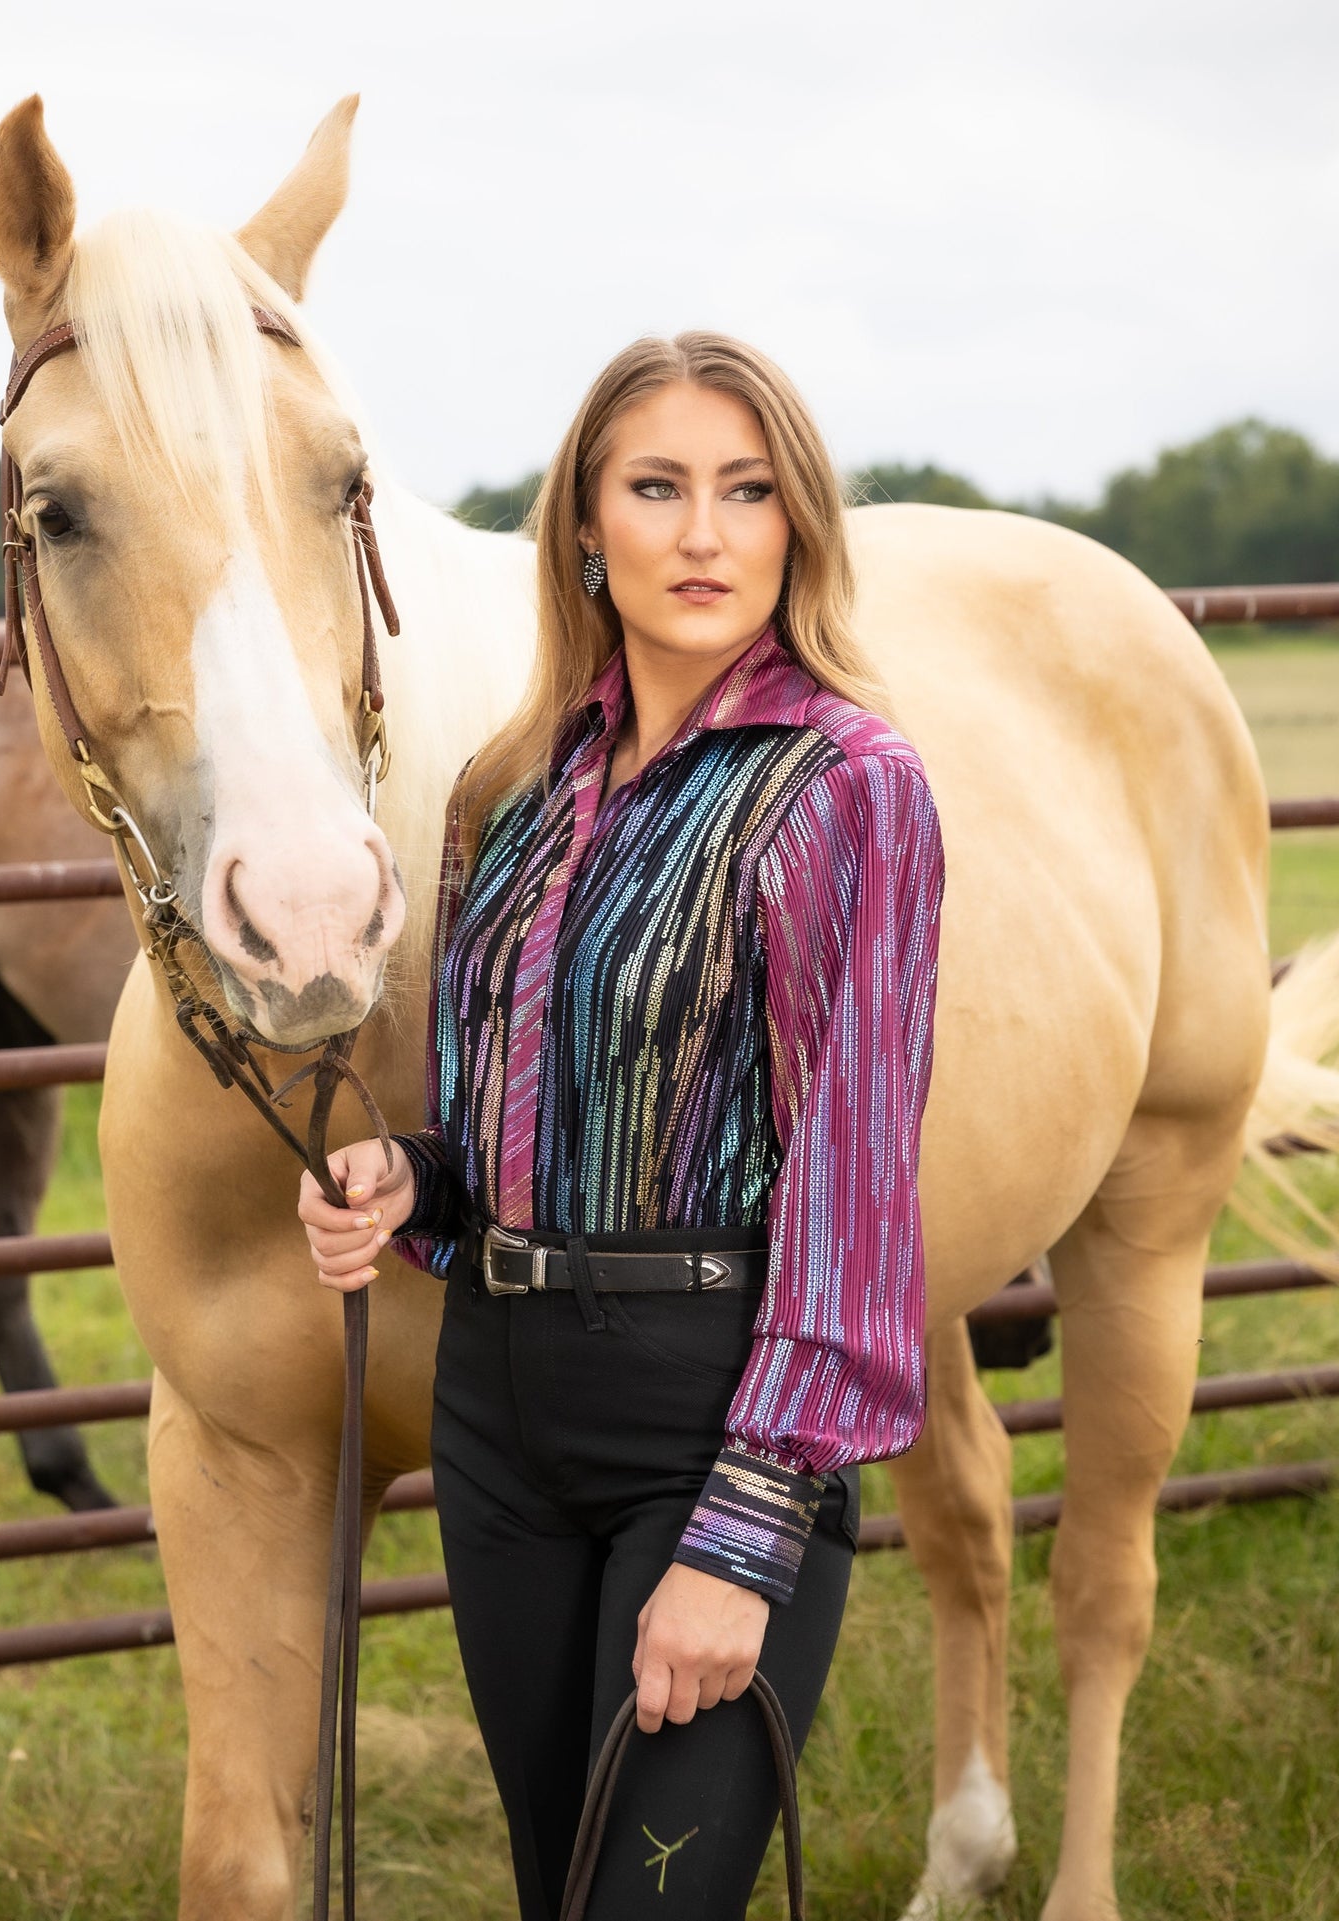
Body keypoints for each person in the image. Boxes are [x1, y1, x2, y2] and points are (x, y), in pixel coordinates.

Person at [297, 331, 944, 1920]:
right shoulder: (505, 791)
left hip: (706, 1409)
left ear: (800, 525)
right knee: (558, 1886)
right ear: (586, 526)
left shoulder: (844, 785)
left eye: (750, 489)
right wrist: (413, 1178)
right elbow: (505, 1120)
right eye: (658, 486)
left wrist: (741, 1533)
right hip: (498, 1415)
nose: (706, 532)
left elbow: (853, 1195)